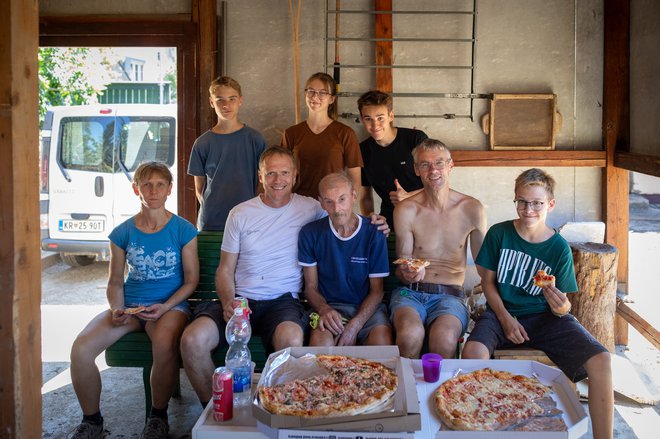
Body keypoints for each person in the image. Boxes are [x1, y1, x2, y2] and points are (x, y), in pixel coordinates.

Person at [180, 146, 389, 408]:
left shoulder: (312, 208)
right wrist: (227, 304)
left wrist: (378, 222)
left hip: (282, 303)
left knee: (290, 339)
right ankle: (216, 410)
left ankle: (279, 409)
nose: (278, 180)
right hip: (240, 302)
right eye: (271, 174)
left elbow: (343, 216)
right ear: (260, 176)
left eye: (284, 173)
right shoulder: (240, 213)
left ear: (294, 176)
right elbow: (224, 269)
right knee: (192, 341)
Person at [461, 168, 613, 439]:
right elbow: (488, 283)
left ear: (550, 204)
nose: (528, 209)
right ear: (515, 200)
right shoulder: (499, 234)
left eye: (536, 203)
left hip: (545, 318)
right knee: (472, 353)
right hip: (500, 313)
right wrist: (506, 318)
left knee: (601, 359)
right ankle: (483, 426)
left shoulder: (558, 248)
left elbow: (565, 306)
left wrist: (561, 307)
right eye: (521, 201)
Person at [69, 161, 199, 439]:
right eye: (146, 184)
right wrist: (117, 308)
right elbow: (115, 280)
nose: (153, 190)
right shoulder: (122, 233)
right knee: (81, 349)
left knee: (164, 343)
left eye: (160, 184)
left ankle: (157, 417)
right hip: (130, 306)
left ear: (169, 190)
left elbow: (191, 280)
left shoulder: (183, 230)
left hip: (169, 306)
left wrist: (165, 306)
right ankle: (92, 421)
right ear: (136, 189)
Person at [390, 139, 487, 359]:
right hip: (411, 293)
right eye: (425, 164)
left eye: (439, 163)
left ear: (450, 165)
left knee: (443, 339)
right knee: (409, 335)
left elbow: (484, 268)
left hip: (451, 296)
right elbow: (402, 267)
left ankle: (442, 393)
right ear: (416, 170)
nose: (433, 170)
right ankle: (405, 391)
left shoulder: (472, 208)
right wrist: (407, 272)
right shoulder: (406, 210)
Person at [299, 172, 392, 347]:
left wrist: (354, 326)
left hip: (367, 309)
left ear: (354, 196)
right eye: (329, 201)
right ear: (321, 202)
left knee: (382, 348)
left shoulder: (374, 232)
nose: (337, 208)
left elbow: (377, 291)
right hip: (328, 307)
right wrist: (324, 309)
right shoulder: (310, 233)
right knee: (321, 352)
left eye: (342, 199)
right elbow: (310, 288)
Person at [188, 76, 267, 231]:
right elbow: (200, 188)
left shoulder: (255, 139)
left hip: (249, 219)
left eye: (232, 99)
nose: (226, 105)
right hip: (212, 221)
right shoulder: (202, 143)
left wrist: (254, 210)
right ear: (211, 102)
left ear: (240, 100)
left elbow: (263, 183)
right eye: (220, 100)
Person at [281, 72, 362, 199]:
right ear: (305, 94)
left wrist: (345, 204)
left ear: (332, 99)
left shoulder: (345, 133)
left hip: (331, 205)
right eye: (311, 91)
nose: (315, 97)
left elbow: (355, 178)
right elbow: (282, 173)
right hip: (299, 205)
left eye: (322, 93)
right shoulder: (291, 133)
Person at [357, 90, 428, 229]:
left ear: (391, 116)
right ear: (361, 119)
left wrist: (409, 196)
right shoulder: (362, 150)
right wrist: (370, 216)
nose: (375, 125)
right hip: (389, 225)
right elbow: (365, 196)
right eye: (368, 119)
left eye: (380, 118)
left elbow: (438, 185)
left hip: (426, 219)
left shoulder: (415, 139)